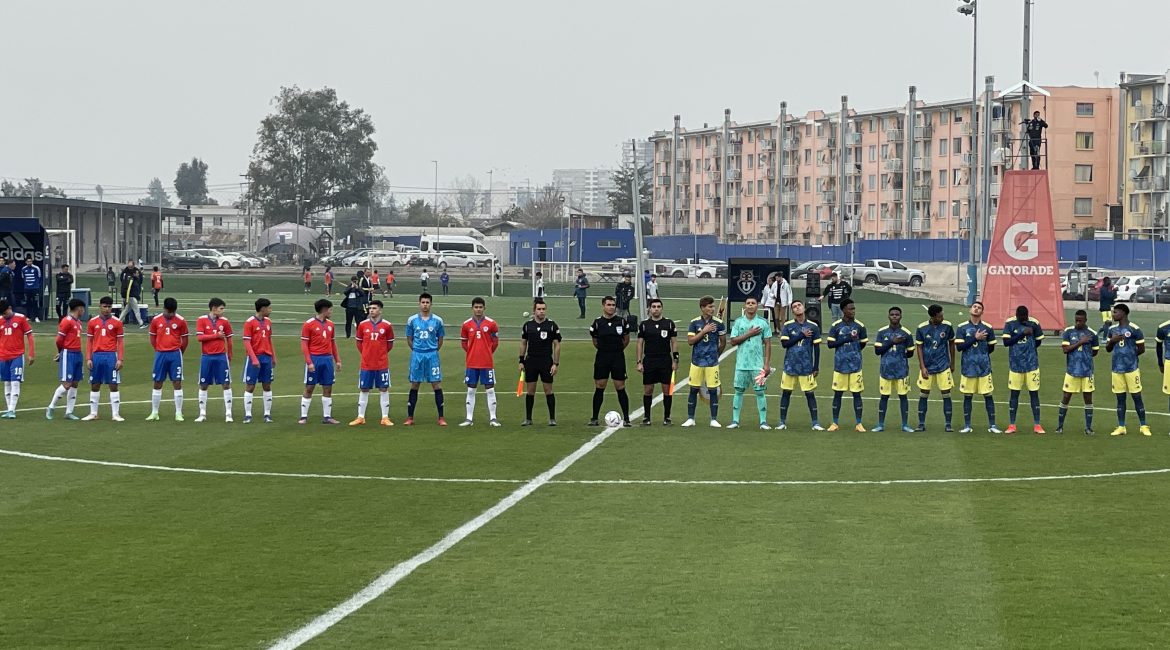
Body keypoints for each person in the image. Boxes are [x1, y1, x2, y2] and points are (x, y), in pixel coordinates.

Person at [955, 301, 1001, 434]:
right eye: (974, 306)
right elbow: (959, 347)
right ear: (970, 309)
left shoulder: (988, 327)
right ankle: (967, 425)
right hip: (968, 368)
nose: (976, 309)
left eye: (979, 308)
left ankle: (992, 425)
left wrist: (981, 356)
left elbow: (991, 347)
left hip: (984, 368)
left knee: (988, 395)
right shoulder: (962, 327)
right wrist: (975, 339)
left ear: (982, 312)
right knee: (968, 396)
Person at [728, 296, 773, 429]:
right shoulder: (738, 322)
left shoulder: (763, 323)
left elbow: (768, 344)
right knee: (738, 391)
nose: (750, 305)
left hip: (757, 365)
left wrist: (766, 364)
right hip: (741, 364)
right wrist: (749, 333)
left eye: (753, 303)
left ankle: (763, 421)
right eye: (748, 303)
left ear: (757, 305)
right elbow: (733, 341)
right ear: (745, 306)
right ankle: (735, 421)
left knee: (760, 392)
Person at [1105, 303, 1151, 436]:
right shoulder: (1112, 329)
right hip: (1116, 369)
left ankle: (1143, 425)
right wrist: (1112, 341)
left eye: (1116, 312)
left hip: (1131, 369)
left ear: (1123, 313)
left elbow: (1141, 349)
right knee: (1120, 398)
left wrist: (1130, 356)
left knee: (1137, 397)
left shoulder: (1135, 329)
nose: (1113, 315)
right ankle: (1121, 427)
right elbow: (1108, 349)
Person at [777, 299, 822, 430]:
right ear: (792, 311)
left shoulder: (813, 326)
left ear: (804, 307)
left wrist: (816, 366)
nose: (797, 308)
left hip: (806, 366)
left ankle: (815, 423)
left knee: (810, 394)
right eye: (794, 307)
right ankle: (782, 422)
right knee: (786, 393)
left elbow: (817, 348)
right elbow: (785, 344)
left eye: (799, 305)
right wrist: (801, 335)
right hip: (790, 365)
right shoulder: (788, 325)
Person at [682, 295, 726, 428]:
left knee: (713, 390)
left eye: (713, 306)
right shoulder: (694, 323)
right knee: (693, 389)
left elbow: (723, 342)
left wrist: (716, 355)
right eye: (709, 306)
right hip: (697, 362)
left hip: (712, 362)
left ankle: (713, 419)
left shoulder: (719, 323)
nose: (712, 309)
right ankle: (691, 418)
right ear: (702, 307)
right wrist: (704, 331)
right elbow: (690, 341)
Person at [350, 299, 395, 427]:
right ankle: (360, 417)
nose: (371, 310)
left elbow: (390, 343)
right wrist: (365, 353)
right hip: (366, 363)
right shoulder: (363, 325)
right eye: (370, 308)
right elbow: (359, 342)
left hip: (382, 363)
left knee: (383, 388)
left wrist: (381, 353)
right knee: (364, 388)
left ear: (380, 310)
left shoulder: (387, 325)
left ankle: (385, 417)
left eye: (374, 308)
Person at [588, 295, 631, 426]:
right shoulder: (597, 323)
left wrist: (616, 349)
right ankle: (594, 418)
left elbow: (626, 339)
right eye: (609, 305)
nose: (611, 307)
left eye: (613, 305)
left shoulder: (622, 322)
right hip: (602, 357)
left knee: (620, 387)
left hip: (617, 357)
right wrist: (604, 349)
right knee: (600, 387)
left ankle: (627, 419)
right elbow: (595, 341)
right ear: (603, 306)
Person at [872, 306, 916, 433]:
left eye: (897, 314)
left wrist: (901, 355)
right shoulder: (882, 332)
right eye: (892, 314)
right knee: (884, 397)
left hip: (902, 371)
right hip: (885, 370)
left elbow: (910, 353)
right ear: (888, 316)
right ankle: (880, 424)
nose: (895, 316)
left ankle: (905, 424)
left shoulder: (906, 333)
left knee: (903, 397)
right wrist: (892, 342)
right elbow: (877, 351)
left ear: (901, 316)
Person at [826, 298, 867, 432]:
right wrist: (846, 340)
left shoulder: (860, 326)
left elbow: (863, 343)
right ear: (843, 310)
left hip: (855, 365)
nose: (853, 311)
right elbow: (830, 344)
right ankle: (835, 423)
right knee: (838, 394)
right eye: (850, 308)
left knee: (857, 394)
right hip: (840, 365)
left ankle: (859, 423)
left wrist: (854, 352)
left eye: (854, 308)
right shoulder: (836, 326)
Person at [1002, 305, 1044, 434]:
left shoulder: (1034, 323)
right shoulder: (1010, 323)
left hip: (1032, 365)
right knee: (1014, 394)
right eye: (1021, 317)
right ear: (1017, 315)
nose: (1024, 319)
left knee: (1034, 394)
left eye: (1025, 317)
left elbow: (1038, 342)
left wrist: (1029, 350)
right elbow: (1006, 343)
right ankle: (1012, 424)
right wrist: (1021, 334)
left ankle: (1037, 425)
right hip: (1015, 365)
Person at [405, 293, 446, 425]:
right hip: (417, 355)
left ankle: (441, 417)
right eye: (423, 302)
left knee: (436, 384)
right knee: (415, 384)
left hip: (432, 355)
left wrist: (433, 350)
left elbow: (440, 339)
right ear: (419, 303)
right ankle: (410, 417)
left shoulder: (438, 321)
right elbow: (409, 339)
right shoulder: (412, 320)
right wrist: (417, 350)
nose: (425, 305)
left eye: (427, 302)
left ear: (431, 304)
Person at [636, 298, 678, 425]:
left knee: (667, 389)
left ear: (662, 308)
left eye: (658, 306)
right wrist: (639, 362)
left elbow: (674, 342)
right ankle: (647, 417)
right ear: (649, 309)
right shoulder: (644, 325)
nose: (656, 309)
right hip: (649, 360)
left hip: (665, 359)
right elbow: (639, 344)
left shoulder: (669, 323)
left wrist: (675, 360)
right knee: (648, 389)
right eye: (653, 306)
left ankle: (667, 417)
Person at [81, 296, 124, 422]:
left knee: (113, 385)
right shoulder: (92, 322)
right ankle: (93, 413)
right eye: (104, 306)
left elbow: (120, 342)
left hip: (111, 356)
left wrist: (120, 359)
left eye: (109, 307)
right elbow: (89, 341)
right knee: (95, 384)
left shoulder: (117, 322)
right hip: (97, 356)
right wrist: (89, 358)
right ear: (100, 306)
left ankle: (115, 414)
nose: (107, 309)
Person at [519, 298, 561, 426]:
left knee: (548, 390)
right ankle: (528, 419)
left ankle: (552, 419)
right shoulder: (528, 325)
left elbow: (557, 345)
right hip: (531, 361)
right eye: (539, 309)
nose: (541, 311)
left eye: (543, 309)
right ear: (534, 310)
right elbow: (523, 343)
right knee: (530, 390)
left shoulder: (552, 325)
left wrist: (555, 363)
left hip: (546, 361)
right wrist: (521, 361)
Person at [300, 298, 342, 424]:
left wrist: (337, 360)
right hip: (315, 358)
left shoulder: (330, 324)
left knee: (328, 387)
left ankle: (327, 417)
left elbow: (333, 343)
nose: (331, 312)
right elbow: (304, 344)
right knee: (309, 387)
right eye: (330, 309)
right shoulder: (309, 324)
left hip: (327, 359)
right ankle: (303, 417)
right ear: (324, 310)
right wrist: (309, 362)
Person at [914, 304, 956, 432]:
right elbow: (919, 347)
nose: (942, 317)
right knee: (924, 394)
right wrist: (922, 367)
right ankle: (921, 423)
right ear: (933, 317)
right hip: (927, 366)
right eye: (940, 316)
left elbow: (951, 344)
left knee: (946, 394)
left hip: (943, 365)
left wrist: (952, 363)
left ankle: (948, 424)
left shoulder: (947, 326)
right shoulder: (922, 328)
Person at [146, 297, 189, 421]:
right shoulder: (156, 320)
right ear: (164, 309)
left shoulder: (181, 321)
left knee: (177, 382)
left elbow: (185, 340)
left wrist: (180, 352)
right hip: (160, 354)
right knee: (157, 382)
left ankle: (178, 413)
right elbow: (152, 338)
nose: (171, 314)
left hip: (175, 354)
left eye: (173, 312)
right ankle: (154, 412)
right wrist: (159, 349)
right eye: (168, 312)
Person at [460, 296, 500, 427]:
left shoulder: (491, 324)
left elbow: (495, 343)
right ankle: (469, 419)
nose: (478, 309)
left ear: (484, 308)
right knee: (471, 390)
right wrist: (472, 352)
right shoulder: (466, 324)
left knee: (490, 389)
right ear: (472, 308)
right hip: (471, 362)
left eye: (480, 307)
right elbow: (464, 343)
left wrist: (487, 352)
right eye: (476, 307)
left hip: (486, 362)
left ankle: (493, 418)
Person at [194, 298, 234, 423]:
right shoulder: (201, 320)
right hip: (207, 356)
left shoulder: (225, 321)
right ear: (214, 308)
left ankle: (228, 413)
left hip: (221, 356)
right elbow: (200, 337)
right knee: (204, 385)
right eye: (221, 308)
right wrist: (215, 336)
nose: (223, 311)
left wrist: (230, 354)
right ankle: (202, 413)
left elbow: (229, 338)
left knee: (226, 384)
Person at [1059, 309, 1099, 435]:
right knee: (1066, 397)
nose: (1078, 323)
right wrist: (1080, 343)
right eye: (1076, 320)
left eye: (1080, 321)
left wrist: (1085, 358)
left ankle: (1088, 427)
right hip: (1072, 371)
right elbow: (1065, 350)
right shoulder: (1068, 332)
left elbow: (1095, 351)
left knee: (1088, 398)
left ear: (1085, 320)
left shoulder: (1092, 334)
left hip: (1087, 372)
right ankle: (1059, 426)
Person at [46, 298, 86, 420]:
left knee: (75, 383)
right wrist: (61, 352)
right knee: (67, 384)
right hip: (69, 354)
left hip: (78, 354)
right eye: (83, 308)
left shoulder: (78, 322)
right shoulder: (66, 321)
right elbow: (59, 339)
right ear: (79, 308)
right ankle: (51, 406)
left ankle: (69, 412)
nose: (84, 311)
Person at [242, 298, 277, 424]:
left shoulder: (268, 322)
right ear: (262, 308)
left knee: (267, 385)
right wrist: (253, 358)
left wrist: (273, 356)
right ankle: (248, 414)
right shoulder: (249, 322)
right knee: (250, 385)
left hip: (266, 357)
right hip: (254, 358)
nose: (270, 310)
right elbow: (246, 341)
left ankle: (267, 414)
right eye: (269, 308)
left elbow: (269, 339)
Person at [0, 298, 34, 418]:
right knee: (6, 383)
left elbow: (29, 335)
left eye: (5, 313)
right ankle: (9, 410)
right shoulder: (0, 320)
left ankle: (12, 410)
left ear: (10, 308)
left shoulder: (20, 318)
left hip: (17, 356)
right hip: (3, 357)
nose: (4, 315)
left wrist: (31, 353)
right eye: (2, 314)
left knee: (15, 382)